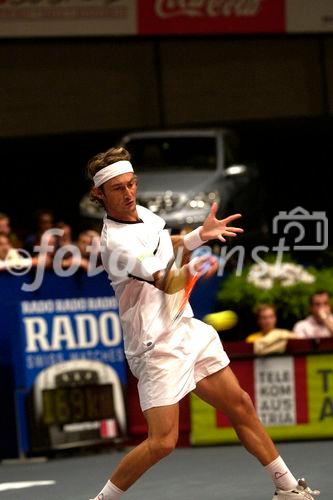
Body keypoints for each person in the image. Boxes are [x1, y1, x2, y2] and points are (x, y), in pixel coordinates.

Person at [86, 146, 319, 500]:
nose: (129, 193)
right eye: (118, 188)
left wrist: (199, 236)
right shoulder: (116, 243)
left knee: (240, 404)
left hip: (186, 329)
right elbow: (166, 279)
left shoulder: (143, 214)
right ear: (100, 194)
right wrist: (194, 267)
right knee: (162, 442)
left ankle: (287, 488)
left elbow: (168, 243)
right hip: (156, 346)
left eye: (132, 184)